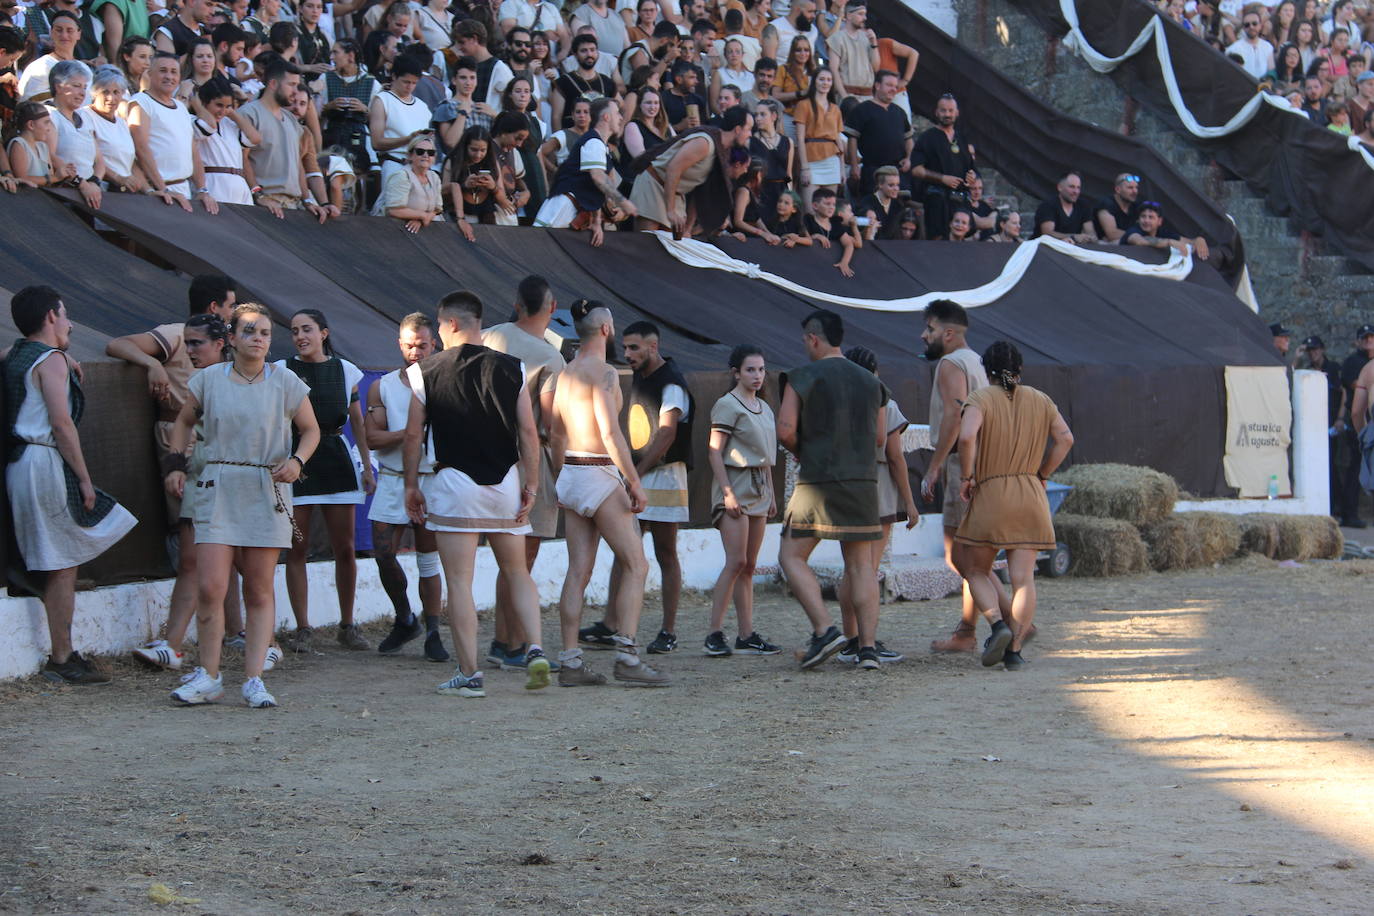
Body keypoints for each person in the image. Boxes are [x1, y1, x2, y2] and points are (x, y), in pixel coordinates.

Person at [163, 302, 320, 707]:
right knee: (211, 586)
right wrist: (176, 464)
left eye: (265, 333)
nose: (259, 339)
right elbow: (183, 421)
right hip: (218, 484)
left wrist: (297, 461)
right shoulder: (209, 380)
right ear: (231, 338)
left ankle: (254, 679)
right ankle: (209, 675)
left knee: (259, 588)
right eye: (249, 331)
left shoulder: (286, 381)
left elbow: (311, 430)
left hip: (266, 487)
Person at [402, 290, 552, 698]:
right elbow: (528, 433)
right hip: (504, 482)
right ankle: (535, 646)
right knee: (517, 571)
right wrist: (532, 484)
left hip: (454, 484)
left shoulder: (423, 371)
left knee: (460, 582)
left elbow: (414, 434)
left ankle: (469, 675)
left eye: (437, 324)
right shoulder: (513, 368)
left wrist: (411, 484)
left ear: (450, 324)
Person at [3, 286, 138, 686]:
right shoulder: (51, 359)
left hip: (20, 464)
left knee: (61, 556)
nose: (70, 322)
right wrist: (84, 477)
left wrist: (62, 356)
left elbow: (18, 358)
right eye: (64, 315)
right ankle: (61, 657)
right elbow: (61, 426)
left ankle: (64, 650)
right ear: (49, 317)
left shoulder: (20, 354)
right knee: (64, 563)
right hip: (43, 461)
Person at [106, 274, 239, 669]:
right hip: (192, 461)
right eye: (230, 306)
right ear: (215, 308)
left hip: (227, 467)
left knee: (231, 555)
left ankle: (241, 635)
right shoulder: (175, 335)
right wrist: (152, 364)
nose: (235, 314)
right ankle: (178, 643)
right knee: (194, 554)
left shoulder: (237, 367)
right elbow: (118, 345)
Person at [551, 299, 665, 686]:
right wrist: (633, 481)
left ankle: (570, 661)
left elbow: (555, 433)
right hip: (598, 471)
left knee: (578, 572)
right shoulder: (605, 374)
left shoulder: (563, 374)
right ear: (606, 329)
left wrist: (560, 479)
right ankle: (627, 657)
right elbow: (610, 433)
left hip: (571, 469)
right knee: (637, 564)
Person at [775, 309, 886, 669]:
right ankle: (867, 649)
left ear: (812, 338)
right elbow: (881, 437)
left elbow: (785, 430)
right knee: (861, 566)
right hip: (863, 483)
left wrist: (804, 452)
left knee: (791, 557)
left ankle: (824, 630)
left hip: (819, 480)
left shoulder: (802, 375)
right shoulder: (872, 383)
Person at [953, 341, 1074, 670]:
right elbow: (1066, 439)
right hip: (1032, 495)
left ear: (986, 370)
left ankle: (996, 625)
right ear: (1019, 369)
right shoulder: (1041, 400)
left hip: (992, 492)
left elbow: (965, 437)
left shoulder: (981, 398)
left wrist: (967, 476)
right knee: (1024, 580)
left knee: (975, 569)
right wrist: (1043, 474)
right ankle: (1015, 650)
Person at [480, 275, 567, 673]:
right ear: (551, 309)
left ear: (516, 304)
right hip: (526, 460)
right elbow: (552, 425)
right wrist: (560, 470)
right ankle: (510, 641)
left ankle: (505, 640)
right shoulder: (550, 358)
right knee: (522, 559)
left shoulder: (487, 336)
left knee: (506, 558)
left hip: (481, 456)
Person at [919, 299, 1012, 655]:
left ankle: (1008, 623)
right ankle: (968, 631)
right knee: (977, 558)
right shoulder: (978, 362)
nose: (923, 335)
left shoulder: (950, 363)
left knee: (961, 558)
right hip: (990, 464)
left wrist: (935, 465)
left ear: (949, 332)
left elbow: (955, 417)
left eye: (929, 329)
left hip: (963, 464)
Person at [280, 308, 376, 653]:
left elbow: (359, 422)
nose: (300, 336)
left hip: (336, 458)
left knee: (345, 547)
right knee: (297, 547)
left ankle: (348, 625)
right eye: (294, 331)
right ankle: (303, 627)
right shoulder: (282, 370)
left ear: (323, 332)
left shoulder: (346, 370)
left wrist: (367, 466)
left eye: (307, 329)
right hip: (298, 461)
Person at [605, 320, 694, 655]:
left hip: (665, 476)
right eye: (625, 347)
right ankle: (611, 623)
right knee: (624, 547)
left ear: (653, 347)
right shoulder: (644, 377)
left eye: (634, 348)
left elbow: (667, 433)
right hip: (641, 474)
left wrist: (636, 473)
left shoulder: (672, 383)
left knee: (665, 551)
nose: (627, 354)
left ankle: (668, 630)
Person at [365, 312, 449, 662]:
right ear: (400, 345)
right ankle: (404, 618)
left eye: (423, 345)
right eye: (410, 346)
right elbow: (372, 437)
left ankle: (433, 631)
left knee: (428, 560)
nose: (416, 352)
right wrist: (411, 433)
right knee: (383, 552)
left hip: (431, 478)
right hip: (393, 478)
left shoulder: (445, 383)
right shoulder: (382, 385)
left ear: (436, 344)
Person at [837, 345, 917, 665]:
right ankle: (866, 642)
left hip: (844, 485)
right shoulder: (886, 402)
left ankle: (849, 637)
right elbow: (895, 457)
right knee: (868, 570)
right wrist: (909, 502)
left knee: (851, 570)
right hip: (879, 488)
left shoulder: (837, 405)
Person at [702, 343, 781, 657]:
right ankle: (714, 632)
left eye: (761, 369)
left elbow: (765, 458)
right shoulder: (727, 404)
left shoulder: (765, 407)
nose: (757, 375)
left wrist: (772, 494)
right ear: (736, 372)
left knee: (749, 565)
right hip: (734, 483)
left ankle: (746, 634)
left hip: (759, 487)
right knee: (735, 561)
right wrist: (727, 492)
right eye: (750, 369)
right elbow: (713, 450)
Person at [630, 105, 753, 234]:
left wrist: (688, 228)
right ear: (738, 130)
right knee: (647, 243)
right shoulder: (704, 143)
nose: (750, 134)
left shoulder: (723, 153)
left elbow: (701, 189)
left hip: (675, 194)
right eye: (749, 129)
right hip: (654, 186)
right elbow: (673, 168)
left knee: (670, 246)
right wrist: (670, 210)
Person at [533, 96, 636, 244]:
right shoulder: (594, 142)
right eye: (617, 113)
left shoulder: (600, 144)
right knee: (537, 245)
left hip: (573, 208)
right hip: (563, 204)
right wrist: (623, 201)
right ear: (606, 117)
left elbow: (594, 188)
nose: (621, 118)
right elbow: (598, 178)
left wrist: (595, 221)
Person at [128, 51, 220, 213]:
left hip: (184, 191)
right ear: (150, 73)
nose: (169, 76)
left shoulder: (181, 109)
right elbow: (141, 149)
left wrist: (202, 190)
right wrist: (163, 189)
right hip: (160, 193)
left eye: (174, 72)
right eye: (163, 71)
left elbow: (193, 153)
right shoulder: (141, 102)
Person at [909, 93, 976, 242]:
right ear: (937, 112)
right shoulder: (927, 138)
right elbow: (916, 170)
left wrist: (972, 177)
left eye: (951, 111)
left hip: (960, 201)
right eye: (943, 110)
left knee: (961, 241)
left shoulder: (962, 138)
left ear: (957, 113)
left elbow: (971, 168)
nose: (947, 114)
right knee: (937, 242)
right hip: (937, 200)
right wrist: (942, 178)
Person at [1298, 335, 1348, 519]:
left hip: (1330, 423)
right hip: (1313, 426)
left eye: (1316, 349)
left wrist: (1340, 418)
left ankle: (1338, 506)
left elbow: (1344, 393)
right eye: (1310, 350)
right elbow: (1291, 375)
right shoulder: (1307, 371)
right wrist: (1297, 356)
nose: (1313, 353)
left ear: (1323, 349)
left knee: (1331, 466)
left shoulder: (1333, 368)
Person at [193, 75, 261, 207]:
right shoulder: (193, 121)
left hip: (240, 185)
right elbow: (210, 126)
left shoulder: (229, 124)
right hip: (214, 183)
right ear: (205, 102)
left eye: (227, 106)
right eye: (218, 105)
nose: (222, 111)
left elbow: (255, 138)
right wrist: (197, 104)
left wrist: (232, 113)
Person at [842, 69, 910, 195]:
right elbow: (852, 139)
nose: (893, 89)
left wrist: (909, 158)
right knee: (872, 209)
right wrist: (854, 165)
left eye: (895, 86)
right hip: (872, 171)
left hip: (897, 172)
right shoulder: (861, 110)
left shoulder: (899, 112)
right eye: (889, 85)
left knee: (897, 210)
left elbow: (908, 138)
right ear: (877, 86)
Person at [368, 55, 434, 182]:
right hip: (395, 163)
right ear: (394, 76)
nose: (410, 87)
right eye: (406, 82)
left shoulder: (422, 106)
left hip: (421, 167)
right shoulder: (382, 100)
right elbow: (376, 142)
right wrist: (409, 139)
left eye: (414, 83)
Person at [83, 65, 142, 194]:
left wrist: (146, 189)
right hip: (100, 189)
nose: (111, 98)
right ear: (94, 93)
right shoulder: (85, 116)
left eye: (116, 92)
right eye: (105, 92)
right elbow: (89, 157)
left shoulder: (121, 122)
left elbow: (129, 161)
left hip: (123, 191)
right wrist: (117, 178)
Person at [1338, 324, 1374, 527]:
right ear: (1359, 341)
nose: (1369, 340)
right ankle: (1349, 514)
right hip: (1362, 427)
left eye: (1372, 337)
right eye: (1365, 338)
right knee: (1355, 471)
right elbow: (1354, 391)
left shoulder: (1368, 366)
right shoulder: (1354, 362)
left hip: (1366, 426)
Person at [792, 65, 841, 204]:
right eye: (821, 79)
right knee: (810, 210)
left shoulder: (835, 108)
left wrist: (842, 169)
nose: (825, 83)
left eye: (829, 80)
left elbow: (837, 139)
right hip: (811, 159)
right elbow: (800, 139)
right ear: (814, 81)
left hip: (832, 160)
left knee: (829, 208)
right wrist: (804, 167)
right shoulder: (804, 105)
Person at [376, 132, 444, 230]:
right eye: (420, 151)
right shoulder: (401, 176)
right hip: (392, 228)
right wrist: (422, 216)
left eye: (431, 152)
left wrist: (422, 219)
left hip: (422, 227)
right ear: (410, 155)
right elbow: (394, 210)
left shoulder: (434, 177)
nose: (426, 155)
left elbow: (437, 209)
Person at [552, 34, 618, 130]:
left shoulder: (607, 82)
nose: (589, 54)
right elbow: (556, 117)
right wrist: (559, 142)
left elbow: (621, 108)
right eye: (584, 51)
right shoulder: (563, 82)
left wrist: (617, 134)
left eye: (592, 50)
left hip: (602, 140)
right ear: (575, 54)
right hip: (573, 139)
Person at [17, 8, 78, 102]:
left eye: (69, 30)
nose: (64, 35)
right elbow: (30, 107)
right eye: (59, 30)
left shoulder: (84, 68)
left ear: (79, 34)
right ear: (51, 32)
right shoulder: (38, 68)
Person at [1120, 201, 1210, 260]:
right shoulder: (1134, 230)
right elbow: (1139, 241)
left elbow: (1189, 242)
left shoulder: (1163, 232)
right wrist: (1169, 242)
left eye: (1151, 217)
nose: (1146, 220)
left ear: (1159, 221)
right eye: (1143, 216)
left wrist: (1199, 240)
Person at [805, 185, 862, 276]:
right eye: (827, 204)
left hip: (829, 267)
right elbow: (801, 237)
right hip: (810, 265)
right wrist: (815, 236)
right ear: (815, 205)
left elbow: (849, 244)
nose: (831, 207)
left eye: (833, 204)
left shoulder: (835, 223)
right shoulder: (808, 220)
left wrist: (844, 262)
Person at [827, 0, 878, 99]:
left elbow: (875, 67)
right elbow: (833, 69)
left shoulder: (867, 37)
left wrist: (874, 44)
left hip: (868, 95)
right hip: (847, 93)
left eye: (865, 14)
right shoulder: (837, 38)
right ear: (849, 15)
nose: (865, 18)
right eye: (860, 14)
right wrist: (844, 96)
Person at [1033, 170, 1096, 243]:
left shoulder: (1083, 205)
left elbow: (1091, 233)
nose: (1076, 191)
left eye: (1078, 188)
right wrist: (1073, 237)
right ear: (1060, 187)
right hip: (1044, 250)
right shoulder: (1048, 206)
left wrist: (1089, 238)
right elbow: (1047, 234)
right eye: (1072, 187)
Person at [856, 164, 903, 240]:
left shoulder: (898, 205)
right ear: (880, 184)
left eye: (897, 185)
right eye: (891, 185)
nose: (896, 188)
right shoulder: (867, 202)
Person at [1227, 9, 1276, 78]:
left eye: (1254, 23)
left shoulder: (1268, 46)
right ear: (1243, 28)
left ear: (1260, 25)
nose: (1251, 27)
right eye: (1247, 25)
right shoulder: (1233, 49)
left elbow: (1271, 71)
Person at [1094, 172, 1141, 242]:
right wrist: (1138, 236)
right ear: (1118, 189)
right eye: (1130, 188)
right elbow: (1112, 234)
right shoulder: (1106, 204)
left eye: (1136, 187)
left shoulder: (1137, 206)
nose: (1135, 191)